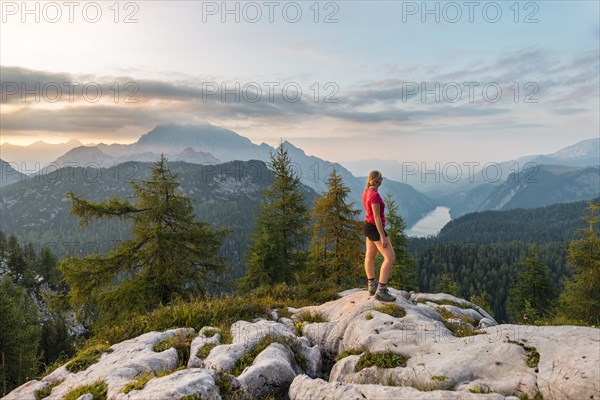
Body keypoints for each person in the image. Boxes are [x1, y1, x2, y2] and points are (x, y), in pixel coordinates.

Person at [362, 170, 396, 302]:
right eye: (381, 179)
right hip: (375, 228)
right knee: (390, 257)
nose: (382, 181)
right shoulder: (374, 195)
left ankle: (371, 285)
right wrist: (382, 236)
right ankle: (381, 290)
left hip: (367, 226)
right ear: (377, 181)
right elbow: (376, 217)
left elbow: (370, 213)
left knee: (369, 256)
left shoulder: (366, 192)